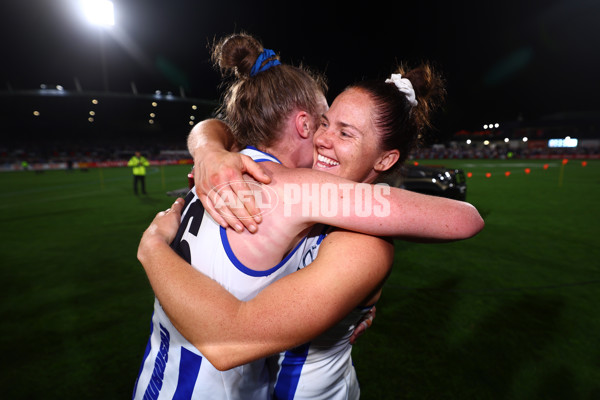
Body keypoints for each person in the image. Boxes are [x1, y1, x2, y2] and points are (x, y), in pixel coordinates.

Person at [134, 33, 484, 400]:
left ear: (385, 160)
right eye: (325, 122)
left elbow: (466, 219)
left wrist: (153, 246)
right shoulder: (274, 182)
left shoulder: (339, 222)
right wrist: (207, 149)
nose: (323, 138)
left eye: (344, 132)